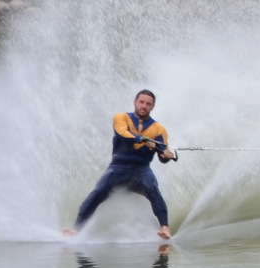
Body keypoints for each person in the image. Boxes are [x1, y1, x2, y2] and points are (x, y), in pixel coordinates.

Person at [65, 89, 177, 240]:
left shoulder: (159, 129)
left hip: (141, 170)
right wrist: (144, 140)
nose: (144, 106)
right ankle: (76, 229)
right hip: (118, 167)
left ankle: (165, 228)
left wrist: (167, 155)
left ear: (152, 107)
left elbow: (162, 154)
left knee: (152, 188)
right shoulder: (121, 118)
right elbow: (122, 134)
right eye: (141, 102)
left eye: (148, 104)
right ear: (135, 102)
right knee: (99, 190)